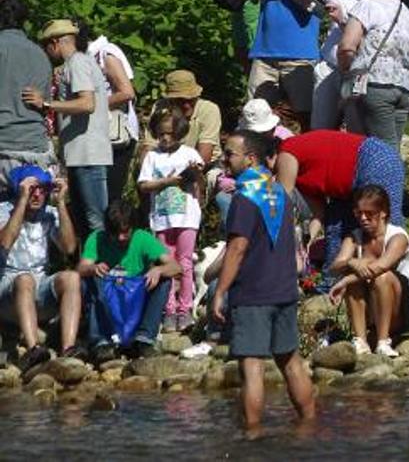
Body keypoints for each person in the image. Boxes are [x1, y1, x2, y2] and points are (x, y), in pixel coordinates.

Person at [212, 131, 315, 429]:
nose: (224, 158)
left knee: (252, 367)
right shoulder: (282, 193)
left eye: (230, 153)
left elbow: (237, 248)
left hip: (254, 294)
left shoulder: (244, 199)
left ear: (251, 158)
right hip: (284, 290)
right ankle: (309, 427)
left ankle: (253, 436)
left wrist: (221, 291)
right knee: (291, 361)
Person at [20, 19, 110, 234]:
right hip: (81, 155)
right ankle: (87, 264)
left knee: (96, 220)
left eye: (46, 47)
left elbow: (87, 103)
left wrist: (47, 103)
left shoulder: (77, 63)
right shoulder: (79, 63)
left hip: (88, 155)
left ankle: (105, 265)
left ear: (54, 43)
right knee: (84, 219)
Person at [236, 0, 326, 128]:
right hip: (265, 54)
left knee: (304, 115)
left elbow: (308, 3)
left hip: (300, 55)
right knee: (254, 114)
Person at [274, 129, 405, 271]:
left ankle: (394, 277)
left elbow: (282, 202)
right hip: (344, 189)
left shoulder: (286, 150)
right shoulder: (301, 179)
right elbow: (319, 215)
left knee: (381, 224)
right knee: (335, 229)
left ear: (271, 156)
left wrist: (278, 245)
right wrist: (306, 243)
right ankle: (332, 282)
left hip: (373, 159)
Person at [338, 0, 409, 152]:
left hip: (374, 84)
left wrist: (346, 71)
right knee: (390, 143)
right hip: (404, 90)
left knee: (383, 150)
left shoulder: (367, 6)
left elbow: (347, 46)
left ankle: (389, 182)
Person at [78, 198, 183, 364]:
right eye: (115, 233)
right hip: (108, 301)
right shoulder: (96, 238)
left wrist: (158, 269)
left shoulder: (143, 238)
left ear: (133, 227)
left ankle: (144, 338)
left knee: (164, 281)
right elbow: (81, 268)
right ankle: (101, 341)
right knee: (88, 281)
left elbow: (176, 267)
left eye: (125, 232)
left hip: (135, 300)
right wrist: (93, 268)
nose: (121, 237)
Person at [0, 165, 81, 371]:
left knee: (71, 278)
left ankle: (68, 348)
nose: (37, 195)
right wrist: (22, 201)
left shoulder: (50, 214)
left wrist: (61, 202)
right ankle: (33, 348)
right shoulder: (4, 210)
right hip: (8, 292)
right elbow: (5, 242)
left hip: (39, 291)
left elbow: (69, 247)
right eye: (32, 189)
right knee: (24, 279)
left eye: (41, 189)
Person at [328, 184, 409, 359]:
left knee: (380, 277)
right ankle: (361, 340)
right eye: (358, 213)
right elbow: (334, 267)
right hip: (373, 308)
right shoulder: (355, 237)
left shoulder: (398, 237)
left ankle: (383, 341)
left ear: (383, 212)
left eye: (369, 213)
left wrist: (344, 281)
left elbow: (380, 267)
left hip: (403, 311)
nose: (363, 218)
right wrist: (352, 261)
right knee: (354, 274)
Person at [136, 107, 202, 333]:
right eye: (161, 133)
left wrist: (193, 175)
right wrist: (168, 182)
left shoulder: (189, 153)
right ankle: (169, 309)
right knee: (166, 263)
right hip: (162, 218)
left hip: (187, 216)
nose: (165, 138)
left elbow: (198, 178)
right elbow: (144, 185)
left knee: (184, 262)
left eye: (170, 133)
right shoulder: (152, 157)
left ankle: (185, 308)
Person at [0, 0, 53, 179]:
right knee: (33, 207)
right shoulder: (40, 54)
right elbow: (45, 104)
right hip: (35, 147)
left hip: (3, 143)